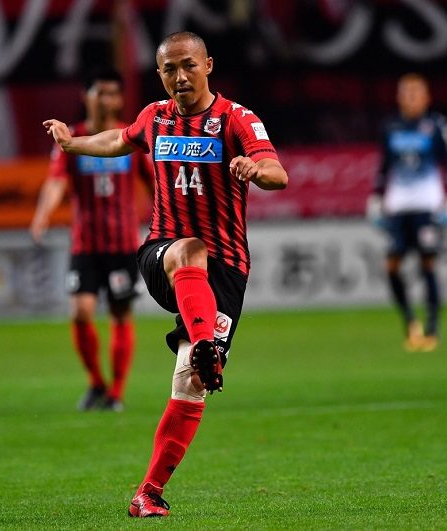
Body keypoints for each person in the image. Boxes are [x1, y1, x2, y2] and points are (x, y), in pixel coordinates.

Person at [43, 31, 288, 517]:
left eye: (188, 66)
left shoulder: (237, 120)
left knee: (190, 388)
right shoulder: (154, 118)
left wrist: (252, 170)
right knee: (190, 249)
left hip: (227, 272)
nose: (180, 77)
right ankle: (204, 345)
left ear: (208, 65)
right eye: (170, 69)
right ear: (159, 74)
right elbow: (118, 138)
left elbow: (276, 172)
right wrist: (72, 145)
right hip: (165, 253)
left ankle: (148, 493)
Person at [30, 68, 153, 412]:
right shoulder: (73, 138)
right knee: (81, 313)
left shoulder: (130, 137)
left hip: (122, 244)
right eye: (101, 92)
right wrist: (42, 214)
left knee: (119, 313)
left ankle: (116, 392)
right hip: (85, 243)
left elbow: (155, 183)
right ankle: (96, 382)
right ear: (86, 96)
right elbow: (55, 182)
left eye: (114, 93)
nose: (108, 99)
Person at [367, 73, 447, 352]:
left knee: (428, 264)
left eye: (415, 92)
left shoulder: (436, 125)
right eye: (405, 92)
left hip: (427, 205)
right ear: (398, 97)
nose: (409, 97)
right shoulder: (390, 127)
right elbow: (384, 167)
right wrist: (376, 199)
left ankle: (432, 329)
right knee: (392, 266)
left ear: (426, 97)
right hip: (397, 207)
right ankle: (411, 322)